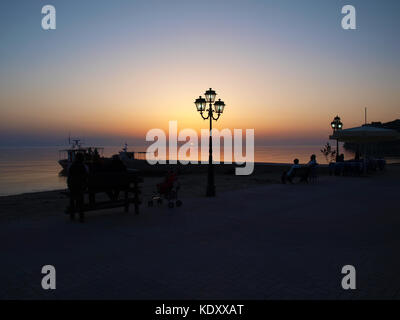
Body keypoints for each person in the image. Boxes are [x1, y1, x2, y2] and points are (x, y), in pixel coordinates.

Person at [67, 152, 89, 221]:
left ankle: (72, 215)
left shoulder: (71, 165)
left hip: (72, 186)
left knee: (72, 198)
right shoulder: (84, 166)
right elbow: (86, 175)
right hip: (80, 186)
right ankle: (81, 216)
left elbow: (69, 175)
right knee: (80, 199)